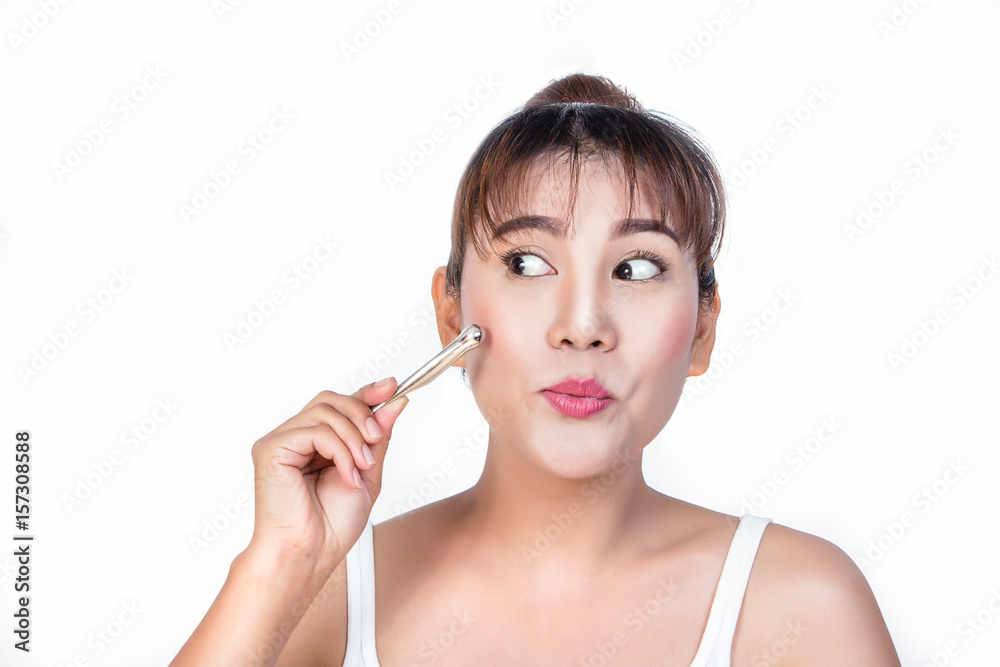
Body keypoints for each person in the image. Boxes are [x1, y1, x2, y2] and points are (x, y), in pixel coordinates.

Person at [171, 73, 901, 666]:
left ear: (703, 329)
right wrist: (278, 565)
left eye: (637, 267)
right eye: (527, 263)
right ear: (451, 311)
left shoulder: (800, 604)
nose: (582, 325)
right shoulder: (328, 596)